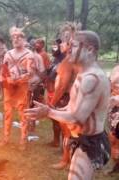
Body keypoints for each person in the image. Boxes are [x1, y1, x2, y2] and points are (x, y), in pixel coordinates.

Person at [25, 30, 111, 180]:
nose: (69, 49)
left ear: (90, 49)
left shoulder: (92, 78)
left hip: (91, 142)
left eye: (74, 45)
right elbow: (70, 107)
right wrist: (51, 109)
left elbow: (77, 117)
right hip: (81, 140)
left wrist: (48, 112)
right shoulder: (83, 74)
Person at [0, 27, 35, 150]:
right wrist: (3, 78)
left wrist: (18, 79)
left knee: (22, 113)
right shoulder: (8, 54)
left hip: (21, 88)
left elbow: (31, 73)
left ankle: (23, 140)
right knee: (7, 112)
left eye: (19, 37)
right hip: (8, 88)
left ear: (23, 39)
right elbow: (3, 69)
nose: (16, 39)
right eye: (14, 37)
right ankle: (6, 138)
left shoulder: (29, 55)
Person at [49, 23, 79, 170]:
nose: (60, 44)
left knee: (67, 131)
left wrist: (52, 103)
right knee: (70, 131)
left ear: (70, 43)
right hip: (69, 98)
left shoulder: (68, 61)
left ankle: (65, 159)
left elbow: (62, 85)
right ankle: (69, 158)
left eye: (63, 42)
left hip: (65, 99)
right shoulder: (72, 60)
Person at [107, 65, 119, 174]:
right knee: (112, 138)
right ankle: (115, 164)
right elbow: (110, 84)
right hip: (114, 108)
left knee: (117, 140)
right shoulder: (116, 68)